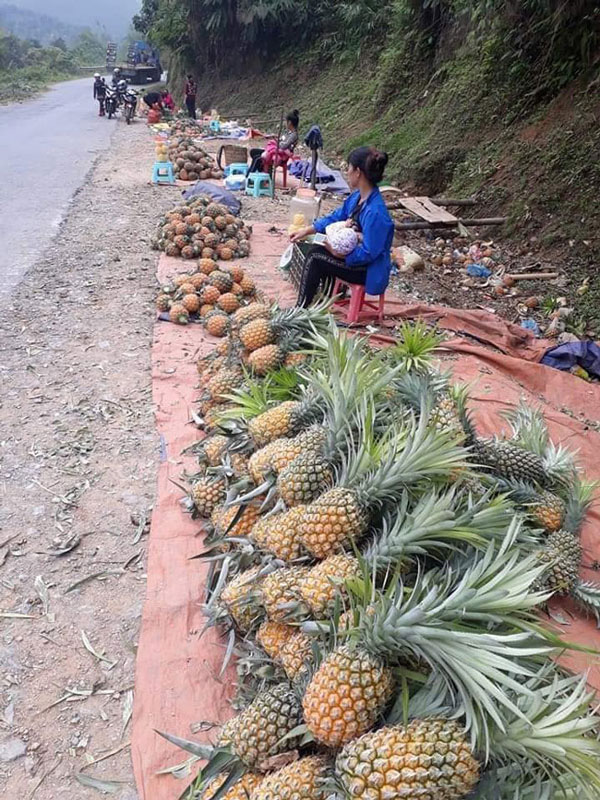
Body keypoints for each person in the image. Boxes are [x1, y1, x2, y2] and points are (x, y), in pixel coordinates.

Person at [290, 146, 394, 308]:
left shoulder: (376, 213)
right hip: (353, 258)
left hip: (366, 269)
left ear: (358, 172)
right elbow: (335, 217)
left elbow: (369, 253)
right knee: (318, 245)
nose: (347, 173)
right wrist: (307, 230)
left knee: (315, 256)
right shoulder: (357, 197)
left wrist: (338, 254)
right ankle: (324, 298)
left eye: (349, 169)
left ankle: (301, 308)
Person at [249, 109, 299, 174]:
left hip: (280, 155)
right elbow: (281, 140)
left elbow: (284, 146)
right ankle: (261, 172)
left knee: (257, 159)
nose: (285, 123)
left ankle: (252, 175)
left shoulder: (293, 135)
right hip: (276, 150)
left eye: (286, 122)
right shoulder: (288, 132)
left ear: (289, 122)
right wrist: (275, 138)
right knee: (253, 152)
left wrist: (275, 141)